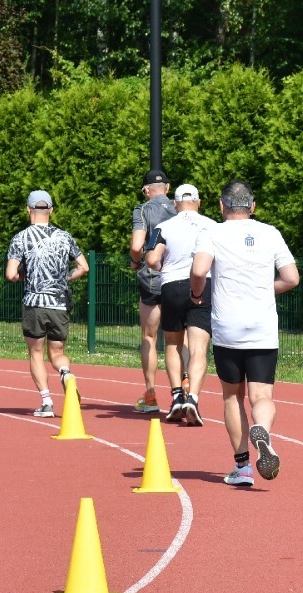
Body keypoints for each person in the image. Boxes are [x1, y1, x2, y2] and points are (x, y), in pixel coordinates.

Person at [190, 179, 300, 486]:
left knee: (232, 396)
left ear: (222, 207)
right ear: (252, 207)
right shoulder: (270, 232)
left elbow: (199, 271)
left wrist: (196, 294)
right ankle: (261, 429)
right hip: (262, 326)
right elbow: (291, 278)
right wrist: (267, 288)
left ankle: (242, 468)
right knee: (262, 394)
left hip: (228, 326)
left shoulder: (211, 231)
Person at [5, 190, 89, 418]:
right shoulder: (65, 236)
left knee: (36, 352)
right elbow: (84, 267)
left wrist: (26, 276)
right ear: (51, 210)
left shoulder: (20, 238)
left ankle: (46, 401)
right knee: (58, 352)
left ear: (28, 210)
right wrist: (64, 279)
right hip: (59, 303)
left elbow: (11, 274)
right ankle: (65, 372)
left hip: (34, 302)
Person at [145, 183, 217, 426]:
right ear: (198, 201)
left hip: (172, 286)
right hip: (203, 285)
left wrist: (162, 268)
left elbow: (152, 258)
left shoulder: (163, 227)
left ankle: (177, 396)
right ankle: (193, 398)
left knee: (174, 344)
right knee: (198, 348)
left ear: (175, 204)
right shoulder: (212, 226)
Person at [130, 168, 179, 414]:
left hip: (152, 278)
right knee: (181, 338)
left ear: (146, 190)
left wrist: (135, 260)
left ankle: (150, 395)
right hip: (179, 278)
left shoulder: (142, 209)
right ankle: (184, 391)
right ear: (168, 189)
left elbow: (137, 245)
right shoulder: (181, 208)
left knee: (149, 337)